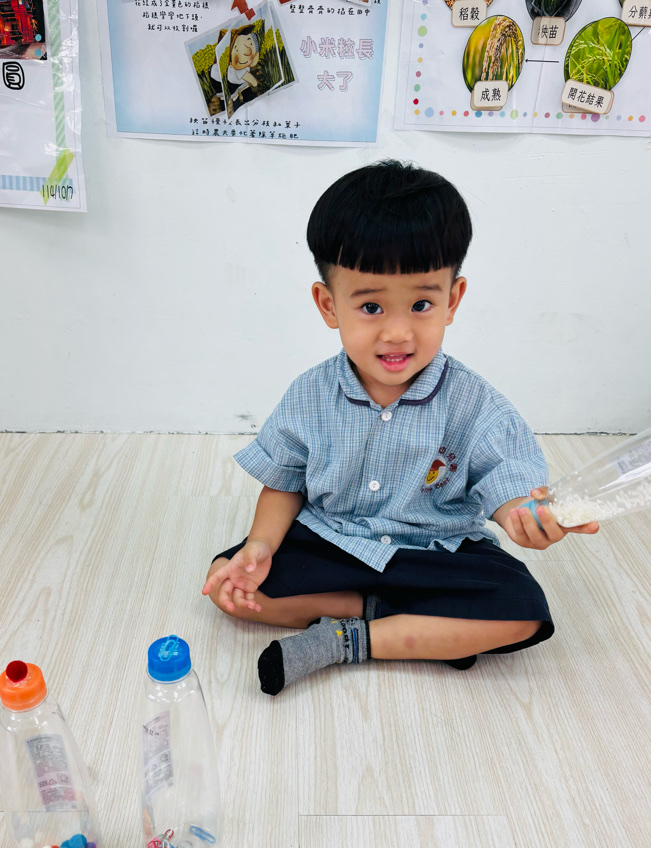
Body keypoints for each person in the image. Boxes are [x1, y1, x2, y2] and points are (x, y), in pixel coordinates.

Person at [202, 160, 598, 695]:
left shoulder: (475, 403)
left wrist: (524, 517)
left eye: (421, 304)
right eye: (371, 306)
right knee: (229, 583)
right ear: (328, 305)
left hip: (435, 551)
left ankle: (349, 639)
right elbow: (285, 482)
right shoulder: (310, 394)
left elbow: (505, 483)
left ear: (452, 300)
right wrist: (259, 546)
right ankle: (418, 625)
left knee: (522, 611)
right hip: (334, 540)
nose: (397, 332)